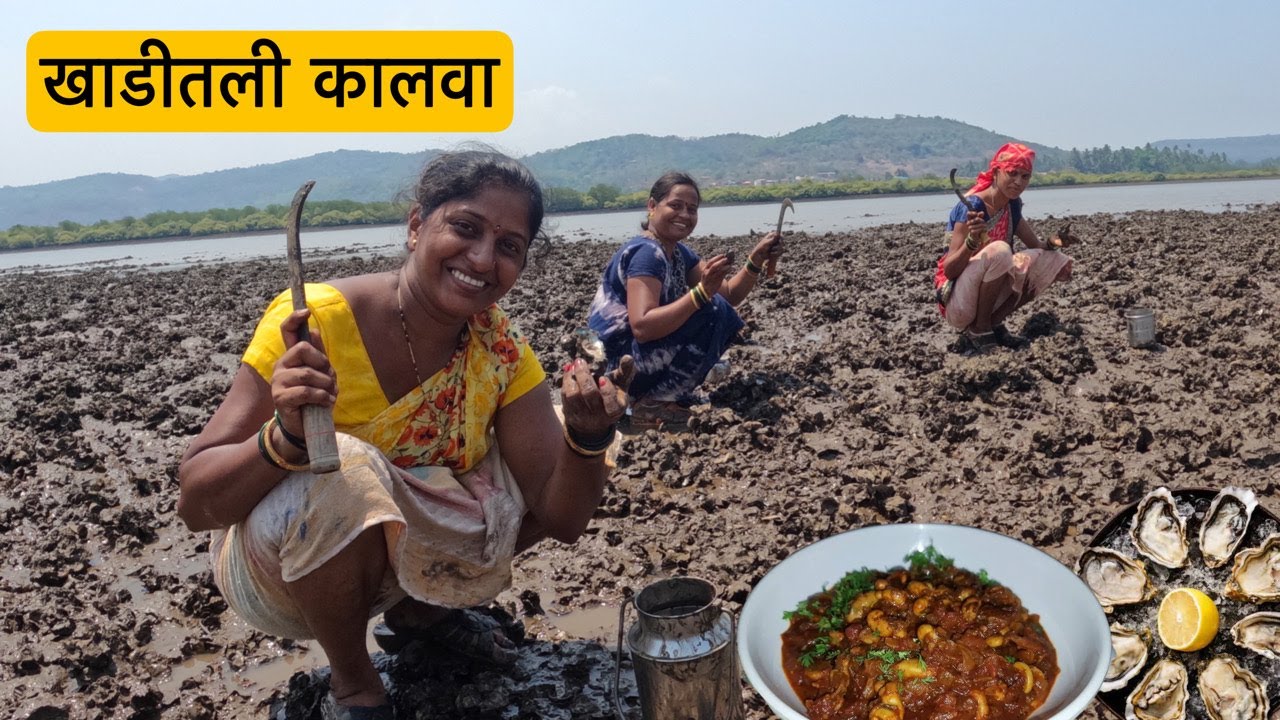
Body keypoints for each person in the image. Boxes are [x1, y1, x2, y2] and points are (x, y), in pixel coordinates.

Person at [177, 150, 632, 720]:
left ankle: (423, 611)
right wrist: (286, 437)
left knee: (565, 440)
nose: (483, 258)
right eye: (464, 228)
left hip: (405, 555)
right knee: (342, 466)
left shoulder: (500, 348)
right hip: (280, 570)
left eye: (509, 246)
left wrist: (590, 438)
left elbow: (561, 518)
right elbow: (196, 503)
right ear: (417, 226)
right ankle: (353, 684)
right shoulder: (317, 321)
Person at [585, 171, 783, 427]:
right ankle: (651, 403)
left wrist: (755, 260)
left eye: (692, 209)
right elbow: (642, 326)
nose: (685, 215)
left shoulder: (678, 253)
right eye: (675, 206)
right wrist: (701, 293)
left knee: (718, 309)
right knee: (709, 310)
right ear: (652, 207)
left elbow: (729, 295)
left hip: (635, 358)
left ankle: (659, 398)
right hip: (617, 367)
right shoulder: (647, 253)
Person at [933, 142, 1076, 355]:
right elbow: (950, 270)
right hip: (959, 302)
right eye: (1012, 173)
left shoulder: (1012, 205)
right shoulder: (973, 207)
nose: (1018, 182)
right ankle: (979, 330)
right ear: (997, 172)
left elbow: (1037, 247)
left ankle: (993, 324)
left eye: (1025, 176)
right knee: (1000, 250)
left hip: (984, 294)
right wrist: (972, 241)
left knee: (1051, 259)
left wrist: (1057, 242)